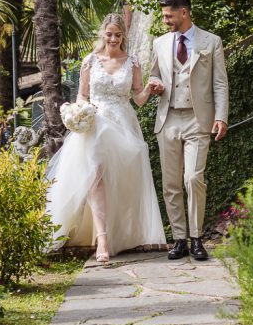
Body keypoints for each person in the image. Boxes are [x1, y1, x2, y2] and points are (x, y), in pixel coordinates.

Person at [45, 13, 167, 262]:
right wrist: (77, 112)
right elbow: (82, 95)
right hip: (96, 125)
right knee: (96, 176)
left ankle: (125, 234)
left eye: (118, 35)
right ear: (103, 34)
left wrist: (150, 90)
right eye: (109, 34)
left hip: (124, 125)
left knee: (120, 181)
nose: (113, 39)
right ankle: (102, 238)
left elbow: (138, 99)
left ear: (123, 36)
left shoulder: (132, 62)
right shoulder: (90, 61)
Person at [148, 0, 229, 261]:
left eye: (168, 15)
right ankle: (179, 239)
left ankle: (197, 238)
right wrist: (155, 83)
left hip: (198, 118)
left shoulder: (211, 41)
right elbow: (154, 74)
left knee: (193, 178)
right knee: (171, 183)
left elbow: (219, 82)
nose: (165, 20)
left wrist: (221, 116)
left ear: (184, 12)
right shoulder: (159, 43)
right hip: (168, 117)